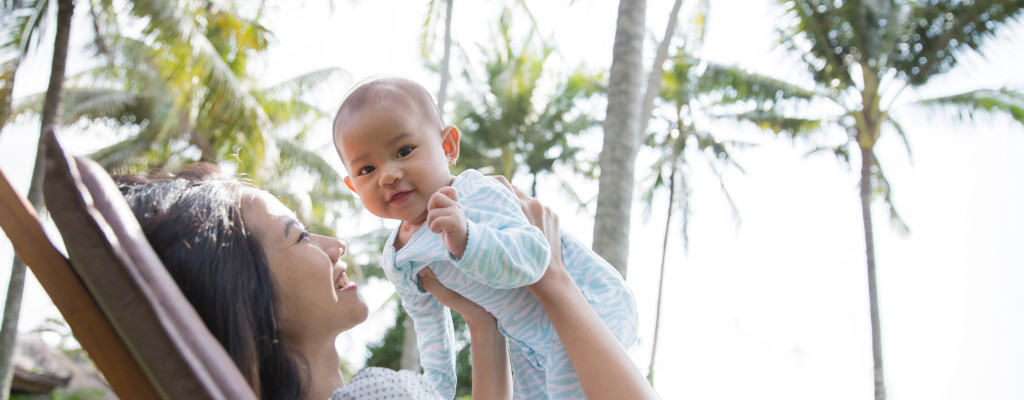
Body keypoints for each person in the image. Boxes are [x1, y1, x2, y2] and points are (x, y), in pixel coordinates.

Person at [115, 165, 657, 400]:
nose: (335, 245)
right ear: (250, 292)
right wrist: (553, 280)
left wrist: (482, 323)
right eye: (299, 237)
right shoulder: (377, 395)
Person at [331, 77, 638, 399]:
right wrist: (437, 389)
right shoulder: (398, 257)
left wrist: (467, 239)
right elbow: (428, 324)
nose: (388, 175)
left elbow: (534, 256)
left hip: (588, 302)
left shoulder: (474, 192)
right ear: (352, 185)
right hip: (528, 342)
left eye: (404, 151)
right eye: (366, 169)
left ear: (447, 146)